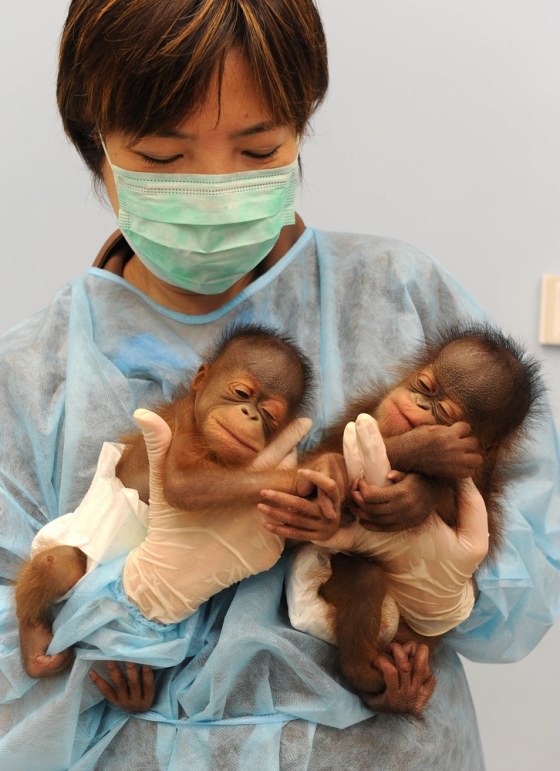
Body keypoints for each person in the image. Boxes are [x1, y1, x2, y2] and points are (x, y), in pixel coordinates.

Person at [0, 1, 558, 769]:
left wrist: (442, 581)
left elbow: (521, 602)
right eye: (165, 158)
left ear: (300, 130)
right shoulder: (32, 376)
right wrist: (133, 593)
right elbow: (12, 657)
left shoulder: (402, 299)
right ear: (96, 145)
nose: (215, 187)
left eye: (259, 148)